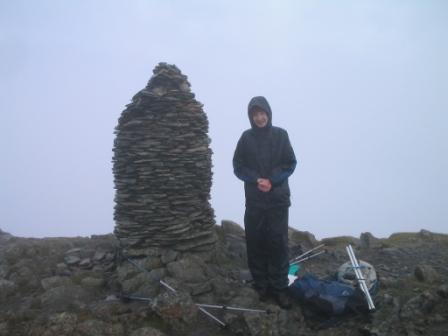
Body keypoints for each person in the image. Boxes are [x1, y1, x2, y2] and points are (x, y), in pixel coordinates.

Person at [233, 96, 297, 309]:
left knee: (278, 244)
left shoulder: (281, 135)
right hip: (254, 201)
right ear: (251, 117)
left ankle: (279, 288)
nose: (259, 118)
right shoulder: (246, 138)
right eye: (255, 114)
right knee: (255, 242)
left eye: (262, 113)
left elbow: (290, 163)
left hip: (278, 200)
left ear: (268, 114)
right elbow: (238, 166)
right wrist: (255, 179)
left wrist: (272, 181)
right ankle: (261, 286)